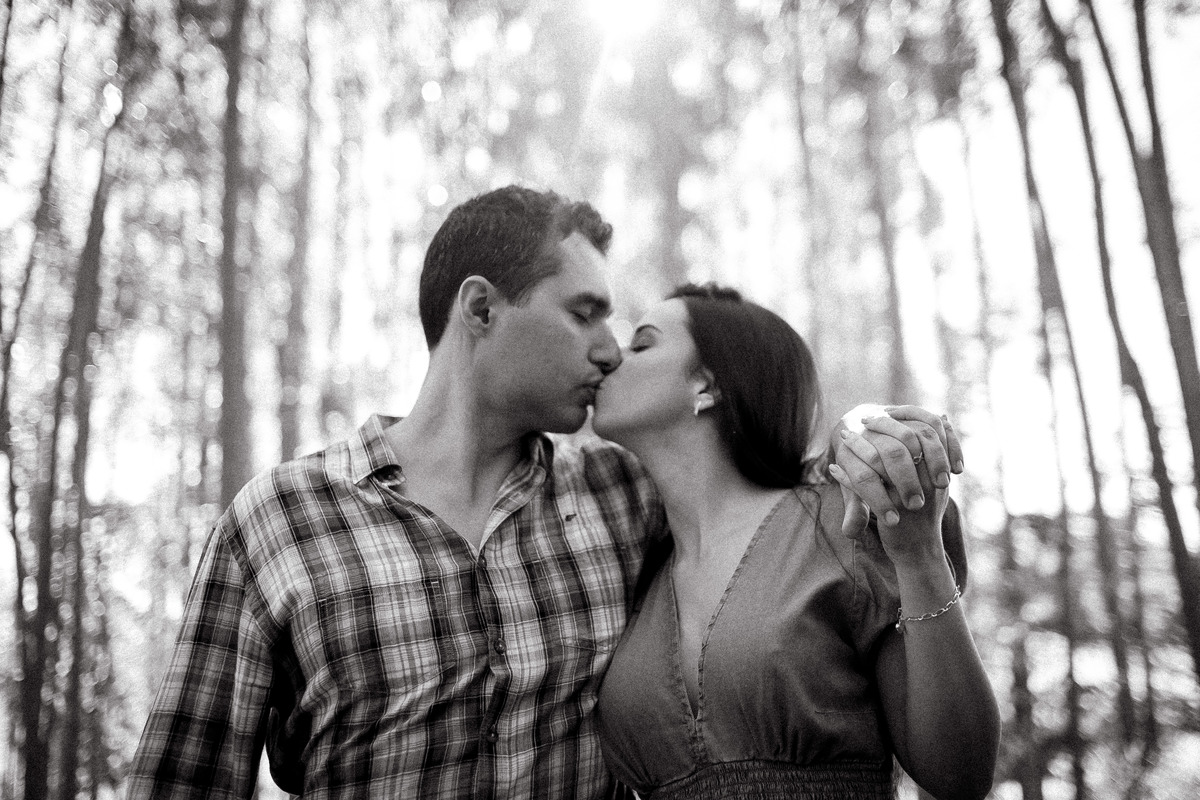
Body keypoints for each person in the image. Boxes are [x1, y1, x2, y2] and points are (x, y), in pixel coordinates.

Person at [126, 186, 960, 799]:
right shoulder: (280, 521)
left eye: (623, 331)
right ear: (482, 309)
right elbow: (183, 780)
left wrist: (875, 432)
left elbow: (774, 492)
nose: (607, 351)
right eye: (585, 314)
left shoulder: (623, 495)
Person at [592, 284, 1000, 800]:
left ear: (705, 385)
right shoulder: (632, 561)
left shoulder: (841, 520)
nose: (611, 357)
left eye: (643, 344)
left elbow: (961, 774)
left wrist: (919, 558)